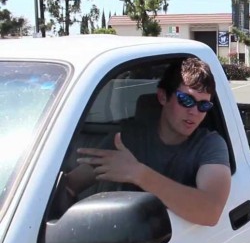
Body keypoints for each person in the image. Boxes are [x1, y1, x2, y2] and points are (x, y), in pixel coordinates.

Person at [64, 57, 232, 226]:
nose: (194, 112)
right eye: (186, 100)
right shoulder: (128, 139)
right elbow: (70, 187)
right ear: (163, 97)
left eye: (203, 106)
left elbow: (210, 212)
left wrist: (137, 173)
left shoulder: (209, 145)